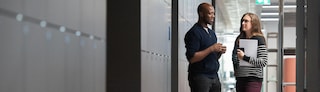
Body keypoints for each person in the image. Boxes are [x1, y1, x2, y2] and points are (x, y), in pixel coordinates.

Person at [184, 2, 226, 92]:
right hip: (200, 77)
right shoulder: (194, 33)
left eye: (214, 13)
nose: (213, 16)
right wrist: (211, 49)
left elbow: (213, 57)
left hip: (214, 76)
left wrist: (219, 52)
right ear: (201, 14)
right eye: (210, 13)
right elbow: (192, 58)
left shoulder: (212, 33)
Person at [231, 12, 268, 92]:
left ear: (253, 23)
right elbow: (234, 58)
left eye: (246, 21)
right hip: (240, 78)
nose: (243, 23)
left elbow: (263, 62)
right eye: (242, 21)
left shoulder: (259, 39)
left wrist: (244, 57)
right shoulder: (239, 39)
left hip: (253, 79)